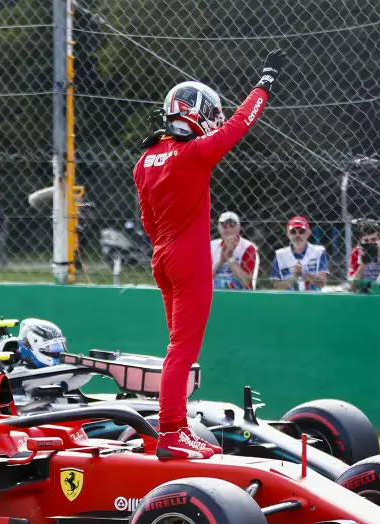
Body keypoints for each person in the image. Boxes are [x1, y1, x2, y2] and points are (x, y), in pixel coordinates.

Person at [133, 48, 286, 460]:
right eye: (210, 112)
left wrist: (168, 244)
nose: (214, 119)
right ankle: (172, 432)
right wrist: (264, 84)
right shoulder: (194, 154)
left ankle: (175, 427)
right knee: (183, 349)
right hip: (189, 258)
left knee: (175, 348)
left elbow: (148, 223)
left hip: (161, 257)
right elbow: (240, 124)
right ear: (194, 111)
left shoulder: (145, 160)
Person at [270, 215, 328, 291]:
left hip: (313, 300)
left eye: (301, 231)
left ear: (308, 233)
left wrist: (304, 273)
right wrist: (294, 277)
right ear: (288, 234)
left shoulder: (319, 252)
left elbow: (322, 283)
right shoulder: (280, 255)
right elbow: (276, 287)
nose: (297, 235)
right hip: (288, 300)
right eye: (293, 232)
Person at [348, 218, 380, 294]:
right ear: (360, 240)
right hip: (365, 296)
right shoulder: (356, 253)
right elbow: (352, 286)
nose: (370, 244)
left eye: (373, 240)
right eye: (366, 241)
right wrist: (363, 263)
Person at [210, 211, 259, 290]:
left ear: (238, 229)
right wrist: (220, 262)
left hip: (238, 293)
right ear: (219, 229)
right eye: (224, 226)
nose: (228, 230)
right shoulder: (211, 246)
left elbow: (247, 284)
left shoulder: (247, 247)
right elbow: (201, 279)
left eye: (232, 226)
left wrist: (230, 258)